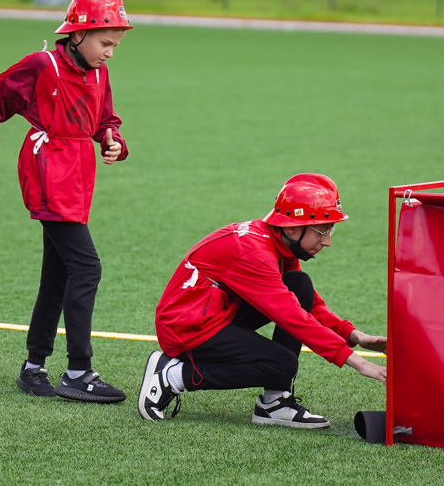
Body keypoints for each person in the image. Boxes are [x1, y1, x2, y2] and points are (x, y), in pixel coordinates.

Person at [0, 0, 132, 403]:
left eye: (115, 45)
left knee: (57, 275)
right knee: (86, 268)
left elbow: (104, 118)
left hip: (78, 173)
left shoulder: (98, 71)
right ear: (77, 34)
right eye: (105, 43)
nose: (110, 52)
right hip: (48, 170)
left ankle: (33, 366)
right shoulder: (42, 66)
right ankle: (78, 371)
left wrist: (112, 139)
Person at [138, 173, 387, 428]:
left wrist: (356, 336)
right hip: (187, 327)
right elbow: (290, 314)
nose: (328, 241)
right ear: (292, 228)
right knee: (280, 364)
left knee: (300, 285)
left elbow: (306, 303)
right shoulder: (255, 254)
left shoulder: (279, 241)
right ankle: (172, 376)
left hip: (213, 312)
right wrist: (357, 362)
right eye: (322, 231)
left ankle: (274, 404)